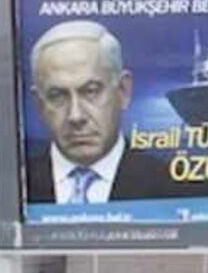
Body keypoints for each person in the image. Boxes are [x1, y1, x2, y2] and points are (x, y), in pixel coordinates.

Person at [25, 20, 182, 204]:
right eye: (57, 95)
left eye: (91, 91)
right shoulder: (14, 186)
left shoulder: (178, 190)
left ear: (123, 91)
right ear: (39, 103)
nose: (76, 116)